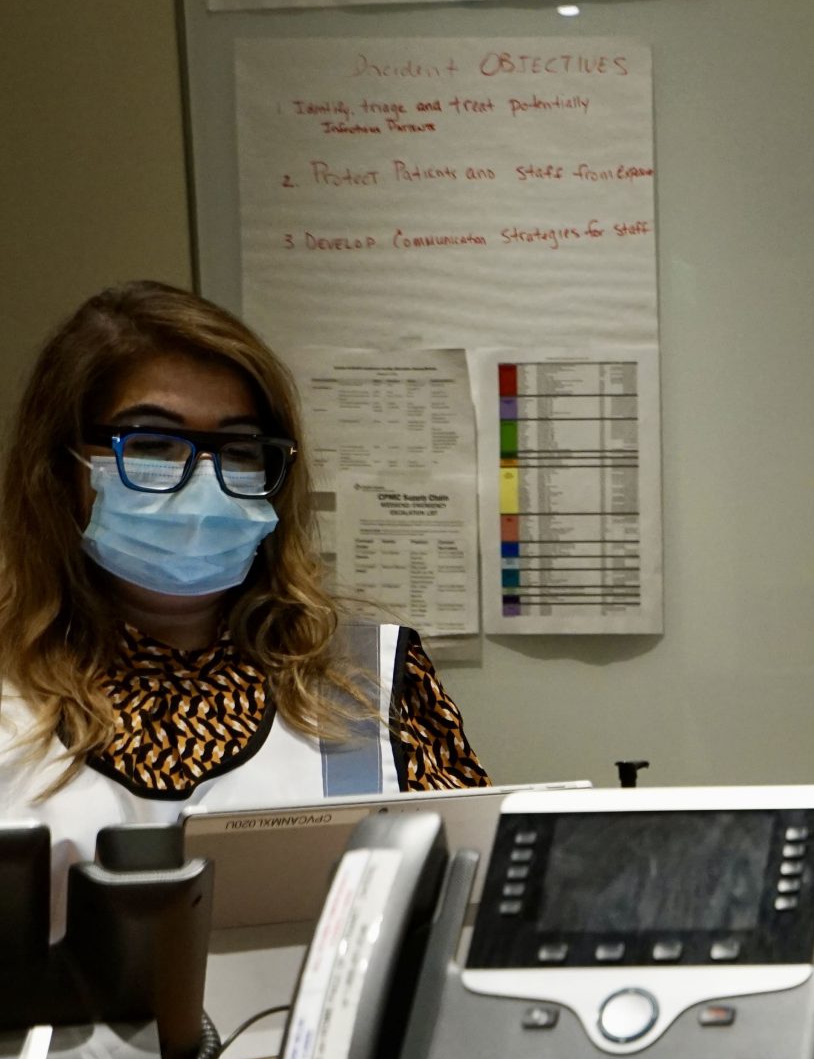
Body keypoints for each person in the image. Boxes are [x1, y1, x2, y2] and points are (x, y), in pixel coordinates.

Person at [0, 281, 487, 872]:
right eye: (154, 442)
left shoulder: (367, 676)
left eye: (240, 449)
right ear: (58, 468)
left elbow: (464, 899)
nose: (204, 482)